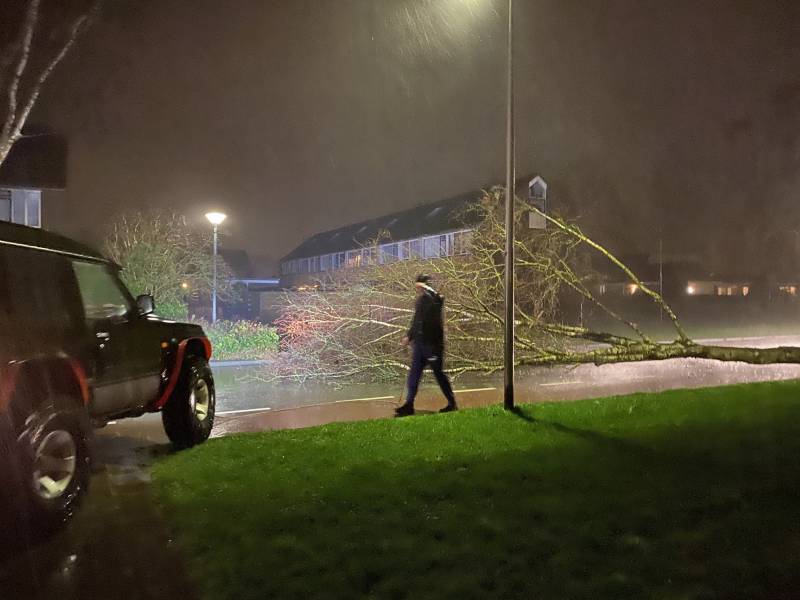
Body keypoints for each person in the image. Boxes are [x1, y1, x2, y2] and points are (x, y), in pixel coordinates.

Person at [395, 274, 457, 417]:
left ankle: (452, 403)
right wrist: (408, 337)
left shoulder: (434, 299)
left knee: (439, 375)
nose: (417, 289)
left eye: (420, 286)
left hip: (433, 345)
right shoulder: (421, 301)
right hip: (420, 345)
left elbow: (439, 301)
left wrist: (428, 288)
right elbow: (416, 321)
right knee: (414, 375)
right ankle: (409, 404)